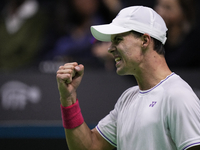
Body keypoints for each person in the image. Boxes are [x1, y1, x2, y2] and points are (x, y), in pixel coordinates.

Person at [56, 6, 200, 150]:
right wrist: (68, 99)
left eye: (118, 39)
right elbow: (90, 146)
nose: (110, 48)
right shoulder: (127, 98)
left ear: (144, 40)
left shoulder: (178, 96)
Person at [154, 0, 200, 69]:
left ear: (184, 13)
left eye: (168, 8)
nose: (160, 12)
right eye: (158, 5)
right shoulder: (154, 40)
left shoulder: (195, 43)